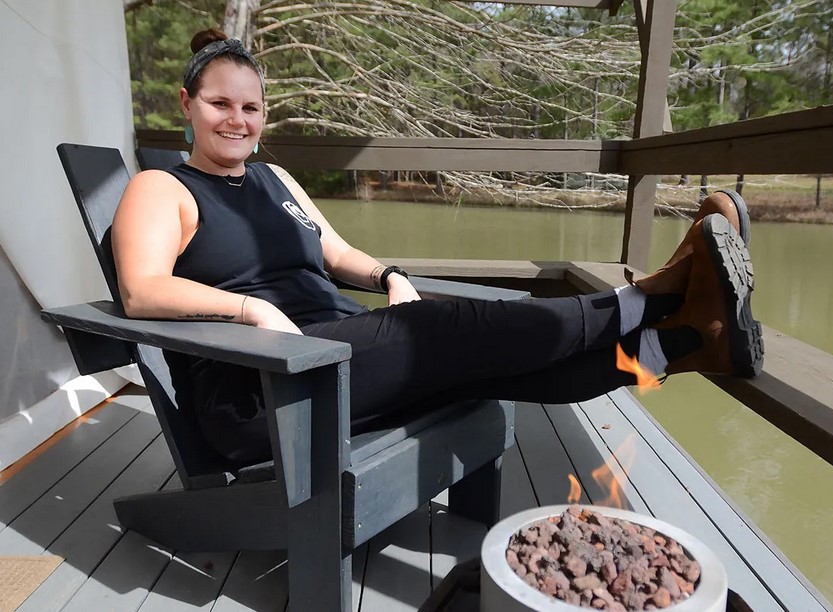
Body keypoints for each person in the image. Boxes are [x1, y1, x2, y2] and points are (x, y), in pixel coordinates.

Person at [112, 29, 763, 464]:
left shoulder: (274, 178)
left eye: (250, 108)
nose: (237, 120)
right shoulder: (161, 187)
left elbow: (335, 253)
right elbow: (141, 291)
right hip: (261, 391)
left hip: (337, 357)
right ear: (187, 105)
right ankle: (653, 295)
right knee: (437, 325)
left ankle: (685, 345)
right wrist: (250, 309)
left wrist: (390, 275)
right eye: (219, 104)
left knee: (499, 366)